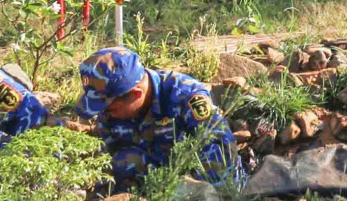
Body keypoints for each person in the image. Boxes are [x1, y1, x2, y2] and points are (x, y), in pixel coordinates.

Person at [76, 46, 245, 192]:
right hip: (153, 176)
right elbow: (106, 157)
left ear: (135, 95)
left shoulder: (185, 94)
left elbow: (221, 148)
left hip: (194, 181)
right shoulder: (111, 108)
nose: (105, 114)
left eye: (110, 108)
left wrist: (188, 194)